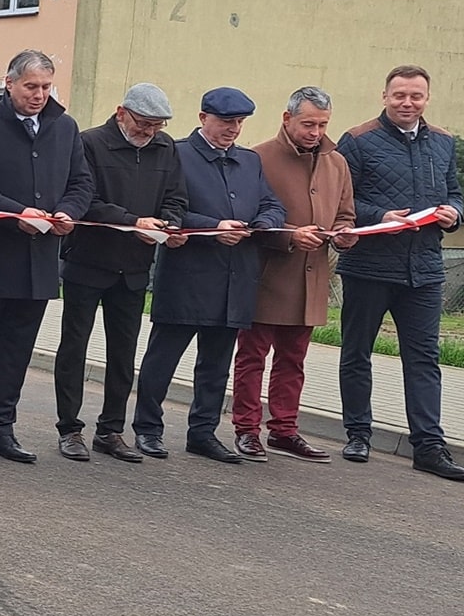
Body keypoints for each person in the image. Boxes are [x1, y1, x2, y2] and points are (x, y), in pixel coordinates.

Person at [0, 50, 93, 463]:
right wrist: (15, 215)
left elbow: (82, 183)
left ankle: (0, 428)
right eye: (31, 87)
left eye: (46, 86)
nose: (39, 95)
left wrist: (69, 213)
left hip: (39, 262)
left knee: (17, 351)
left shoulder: (64, 128)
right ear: (9, 84)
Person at [131, 88, 285, 463]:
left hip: (235, 277)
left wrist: (263, 223)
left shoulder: (248, 161)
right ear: (203, 118)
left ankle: (203, 432)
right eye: (224, 122)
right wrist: (213, 226)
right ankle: (147, 429)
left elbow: (271, 203)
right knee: (162, 359)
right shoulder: (176, 153)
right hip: (188, 274)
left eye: (238, 123)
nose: (232, 129)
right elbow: (166, 210)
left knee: (215, 364)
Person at [335, 65, 464, 479]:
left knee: (424, 359)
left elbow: (456, 193)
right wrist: (380, 215)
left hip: (423, 271)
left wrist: (454, 215)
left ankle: (428, 445)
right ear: (385, 96)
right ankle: (357, 433)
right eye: (400, 96)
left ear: (426, 98)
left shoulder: (443, 142)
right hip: (369, 266)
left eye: (416, 97)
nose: (408, 103)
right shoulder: (357, 140)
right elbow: (343, 200)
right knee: (357, 353)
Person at [52, 83, 187, 463]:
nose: (149, 132)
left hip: (134, 267)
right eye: (143, 123)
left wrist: (169, 224)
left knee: (124, 353)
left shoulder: (166, 148)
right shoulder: (90, 143)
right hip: (88, 262)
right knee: (74, 348)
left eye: (156, 126)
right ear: (121, 112)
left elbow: (177, 197)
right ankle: (70, 428)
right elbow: (84, 200)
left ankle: (111, 429)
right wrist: (132, 221)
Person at [233, 87, 355, 462]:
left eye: (322, 124)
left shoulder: (337, 162)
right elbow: (249, 218)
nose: (315, 132)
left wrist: (346, 234)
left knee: (294, 359)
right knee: (253, 357)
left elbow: (345, 214)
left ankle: (284, 429)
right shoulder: (258, 158)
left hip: (312, 277)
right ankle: (246, 429)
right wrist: (289, 235)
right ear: (287, 119)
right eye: (308, 124)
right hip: (267, 275)